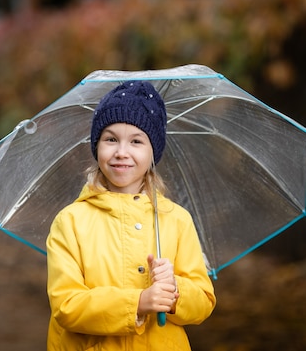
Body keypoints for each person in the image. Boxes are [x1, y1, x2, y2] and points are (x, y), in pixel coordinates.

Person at [46, 80, 216, 350]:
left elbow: (203, 301)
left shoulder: (176, 220)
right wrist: (139, 302)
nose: (121, 152)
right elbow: (67, 305)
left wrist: (173, 291)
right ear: (97, 146)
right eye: (111, 139)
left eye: (136, 141)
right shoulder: (71, 222)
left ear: (153, 153)